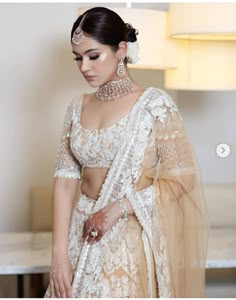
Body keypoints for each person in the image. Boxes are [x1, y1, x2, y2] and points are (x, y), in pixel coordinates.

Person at [44, 7, 209, 298]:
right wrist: (59, 256)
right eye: (78, 58)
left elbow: (183, 179)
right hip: (80, 235)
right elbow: (65, 179)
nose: (84, 67)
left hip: (128, 237)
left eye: (93, 56)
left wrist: (118, 208)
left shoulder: (154, 105)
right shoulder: (76, 106)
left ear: (121, 50)